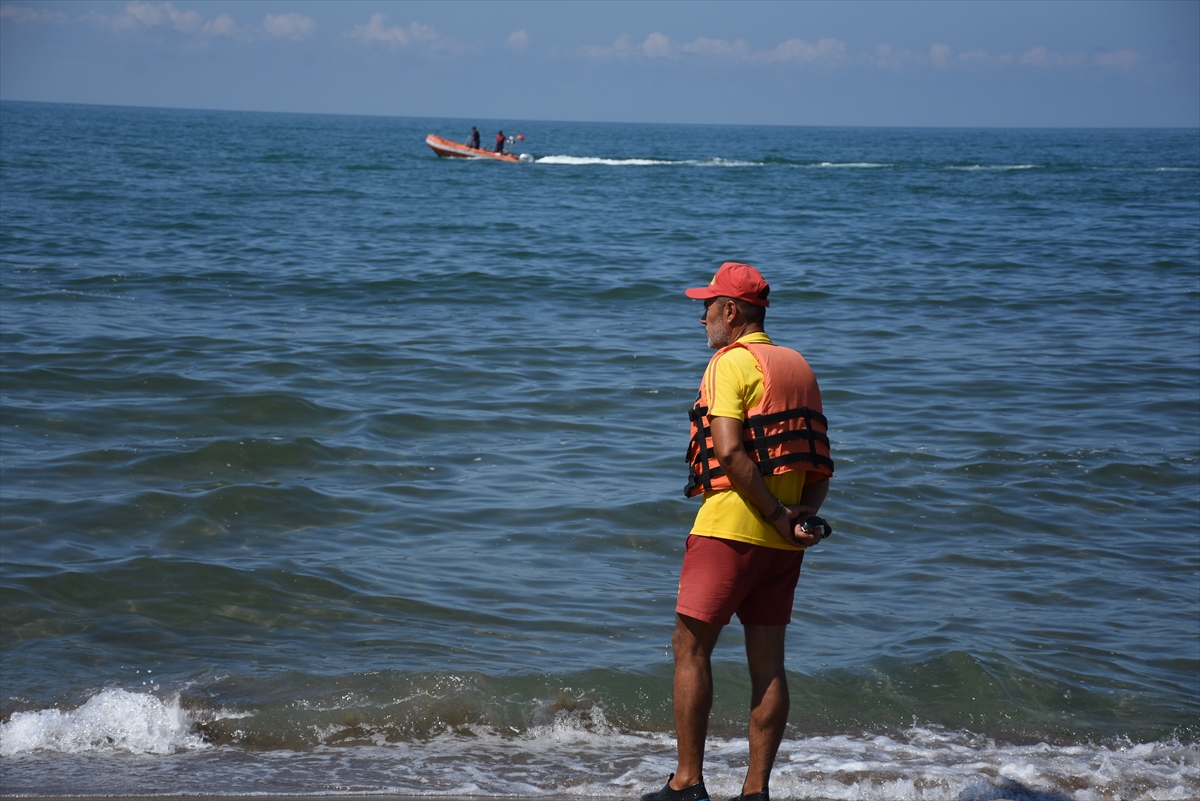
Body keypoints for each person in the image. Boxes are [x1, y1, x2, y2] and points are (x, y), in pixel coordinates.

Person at [642, 262, 834, 801]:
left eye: (706, 306)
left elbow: (727, 449)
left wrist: (772, 514)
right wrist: (796, 519)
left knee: (690, 647)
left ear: (731, 312)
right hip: (784, 541)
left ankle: (687, 784)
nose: (700, 317)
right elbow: (820, 463)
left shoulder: (731, 364)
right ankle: (755, 792)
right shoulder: (799, 365)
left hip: (730, 528)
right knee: (768, 664)